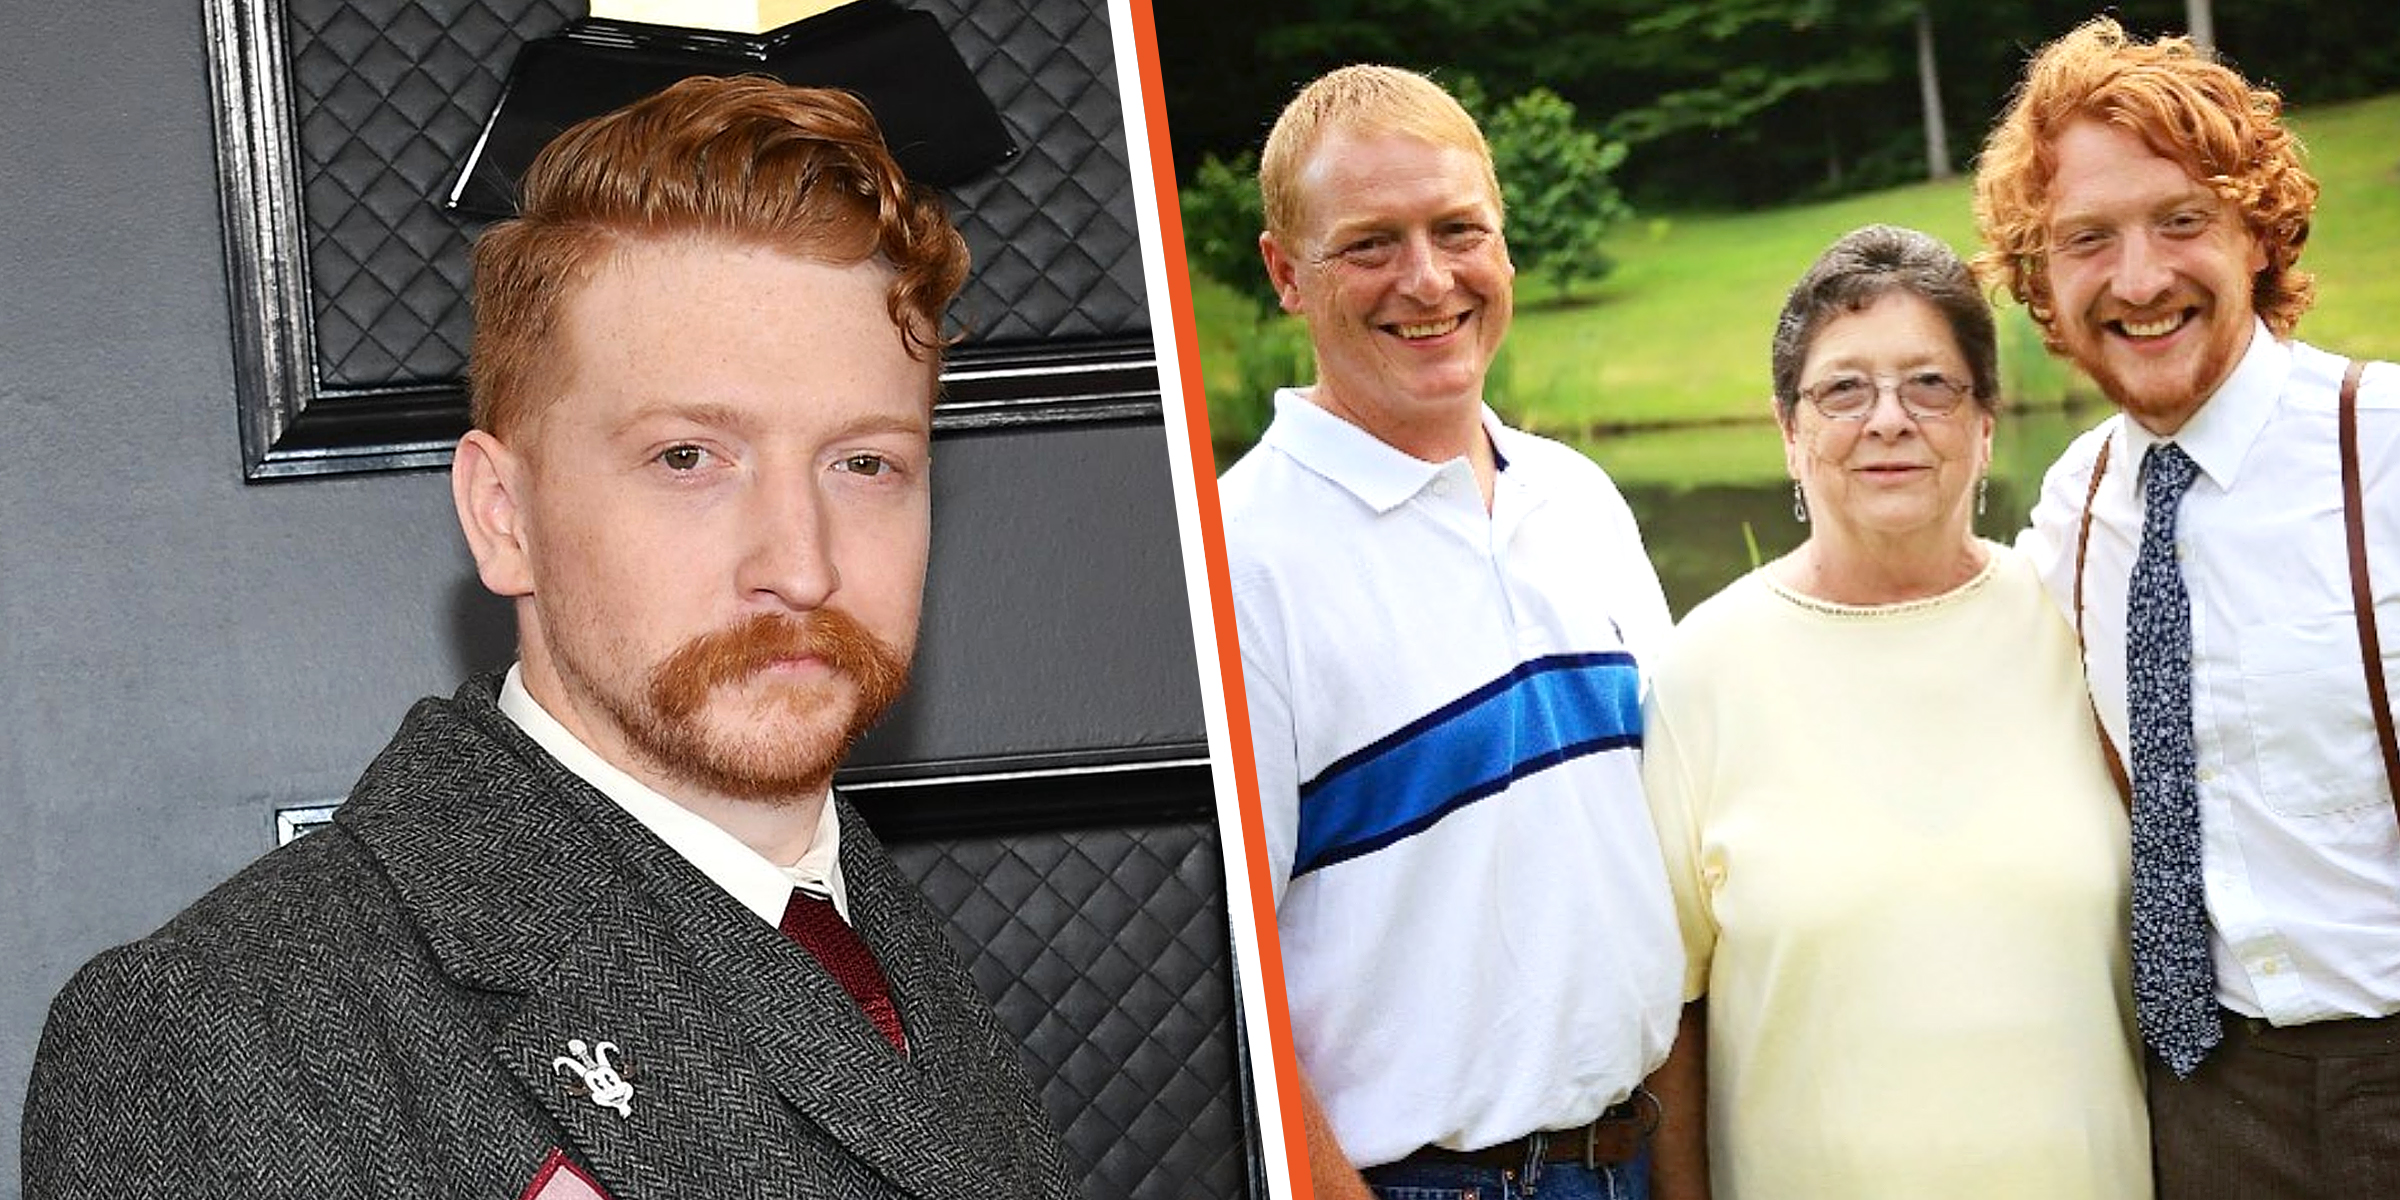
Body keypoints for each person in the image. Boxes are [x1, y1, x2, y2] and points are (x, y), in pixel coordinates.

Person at [21, 77, 1076, 1200]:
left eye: (864, 463)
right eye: (689, 459)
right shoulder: (222, 1044)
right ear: (503, 517)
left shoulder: (895, 949)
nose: (802, 563)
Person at [1222, 64, 1686, 1200]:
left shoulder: (1578, 499)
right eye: (1370, 243)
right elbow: (1224, 983)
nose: (1427, 280)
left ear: (1504, 245)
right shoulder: (1242, 559)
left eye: (1457, 230)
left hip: (1636, 1151)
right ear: (1288, 273)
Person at [1976, 18, 2400, 1197]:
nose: (2141, 279)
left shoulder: (2388, 451)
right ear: (2041, 283)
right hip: (2193, 1099)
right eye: (2085, 240)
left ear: (2258, 235)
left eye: (2181, 220)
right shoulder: (2076, 507)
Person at [1638, 224, 2149, 1198]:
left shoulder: (2076, 619)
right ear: (1789, 433)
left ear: (1986, 424)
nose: (1889, 420)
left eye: (1931, 384)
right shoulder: (1705, 668)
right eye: (1843, 389)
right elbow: (1671, 1015)